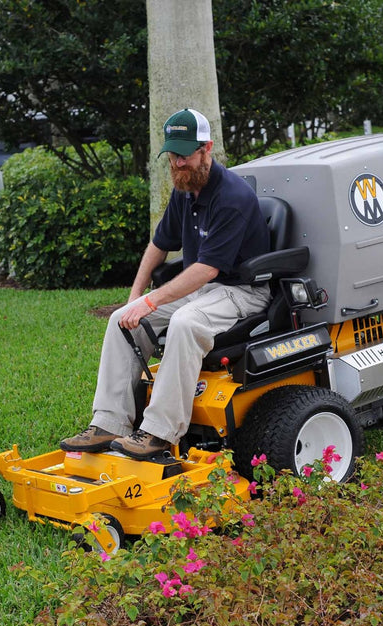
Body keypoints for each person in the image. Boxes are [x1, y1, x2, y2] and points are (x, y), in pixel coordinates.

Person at [60, 108, 272, 460]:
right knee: (120, 320)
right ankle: (109, 422)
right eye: (172, 155)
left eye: (185, 155)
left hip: (242, 292)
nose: (177, 163)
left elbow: (205, 270)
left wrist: (151, 301)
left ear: (207, 149)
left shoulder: (232, 197)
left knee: (185, 323)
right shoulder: (185, 191)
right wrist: (134, 298)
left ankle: (158, 433)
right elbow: (159, 246)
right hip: (204, 289)